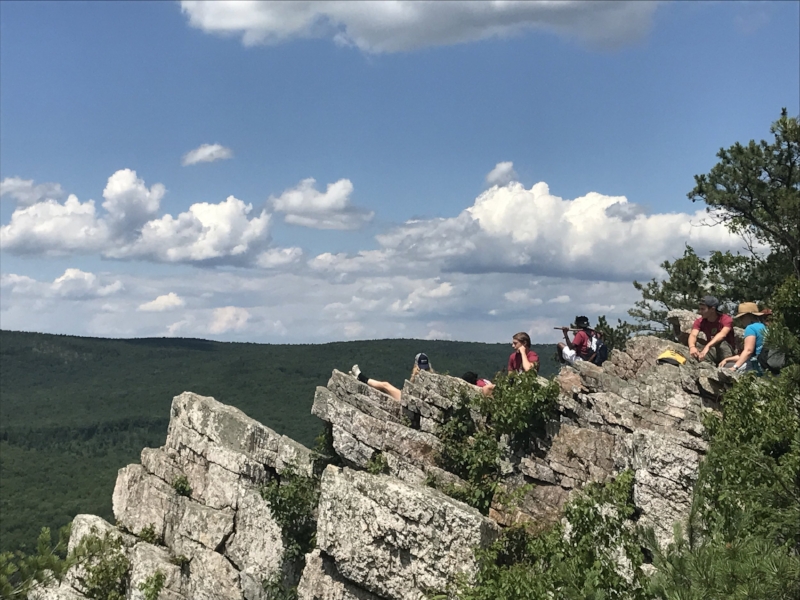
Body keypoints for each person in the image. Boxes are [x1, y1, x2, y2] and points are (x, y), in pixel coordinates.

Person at [350, 352, 432, 401]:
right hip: (410, 399)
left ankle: (360, 376)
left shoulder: (425, 377)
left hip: (408, 400)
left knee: (385, 385)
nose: (422, 370)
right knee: (385, 386)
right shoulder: (431, 378)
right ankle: (359, 377)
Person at [720, 302, 767, 373]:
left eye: (742, 317)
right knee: (728, 363)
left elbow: (748, 351)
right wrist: (727, 359)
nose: (741, 320)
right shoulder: (763, 326)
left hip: (756, 365)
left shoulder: (750, 328)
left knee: (725, 367)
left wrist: (734, 367)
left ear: (749, 316)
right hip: (765, 363)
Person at [688, 295, 736, 364]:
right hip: (713, 350)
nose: (700, 312)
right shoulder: (700, 321)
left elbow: (722, 334)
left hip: (727, 351)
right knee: (700, 355)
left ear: (713, 309)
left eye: (703, 309)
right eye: (700, 309)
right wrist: (692, 347)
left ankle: (728, 365)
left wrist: (708, 346)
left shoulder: (726, 319)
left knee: (721, 343)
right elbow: (693, 335)